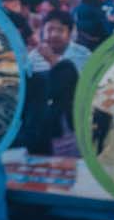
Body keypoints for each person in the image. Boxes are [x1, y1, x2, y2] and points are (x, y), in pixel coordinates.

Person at [22, 10, 89, 154]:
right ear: (42, 32)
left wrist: (52, 59)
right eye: (49, 29)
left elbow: (74, 85)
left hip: (73, 124)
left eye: (60, 30)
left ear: (70, 33)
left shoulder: (82, 54)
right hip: (43, 125)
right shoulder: (33, 58)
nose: (53, 34)